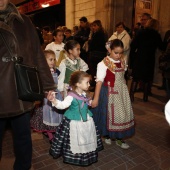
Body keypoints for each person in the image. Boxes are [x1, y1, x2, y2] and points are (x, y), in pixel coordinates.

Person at [0, 1, 56, 170]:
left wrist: (47, 86)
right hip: (1, 93)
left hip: (22, 91)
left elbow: (37, 53)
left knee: (24, 139)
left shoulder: (24, 21)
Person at [47, 71, 103, 166]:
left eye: (89, 82)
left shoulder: (85, 94)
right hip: (74, 122)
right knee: (73, 140)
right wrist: (54, 100)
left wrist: (92, 101)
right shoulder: (71, 96)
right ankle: (75, 156)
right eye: (87, 82)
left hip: (86, 121)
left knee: (86, 137)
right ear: (78, 84)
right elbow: (62, 105)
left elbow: (89, 103)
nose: (89, 84)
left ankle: (85, 154)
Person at [91, 39, 135, 149]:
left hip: (121, 92)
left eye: (121, 53)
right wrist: (95, 98)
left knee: (122, 115)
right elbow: (99, 82)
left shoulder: (123, 61)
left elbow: (123, 74)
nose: (118, 55)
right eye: (116, 52)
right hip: (108, 92)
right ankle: (106, 135)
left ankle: (120, 139)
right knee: (107, 115)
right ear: (110, 50)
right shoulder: (103, 63)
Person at [30, 50, 63, 143]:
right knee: (47, 116)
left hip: (56, 95)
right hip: (46, 96)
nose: (53, 61)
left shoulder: (56, 71)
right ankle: (50, 135)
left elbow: (58, 82)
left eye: (54, 59)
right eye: (50, 59)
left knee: (56, 115)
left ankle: (55, 132)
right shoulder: (42, 72)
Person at [129, 18, 163, 102]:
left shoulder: (141, 32)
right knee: (147, 78)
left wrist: (132, 57)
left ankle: (131, 95)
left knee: (135, 78)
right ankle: (145, 96)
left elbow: (133, 45)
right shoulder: (156, 35)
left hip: (140, 57)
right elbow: (162, 47)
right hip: (149, 59)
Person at [88, 20, 107, 89]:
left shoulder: (99, 34)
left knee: (95, 70)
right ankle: (95, 84)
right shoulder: (98, 33)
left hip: (97, 55)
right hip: (98, 54)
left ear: (99, 26)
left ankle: (95, 85)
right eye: (93, 26)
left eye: (95, 26)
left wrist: (90, 41)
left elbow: (94, 44)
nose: (93, 27)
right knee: (95, 70)